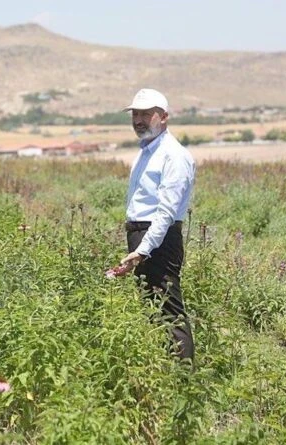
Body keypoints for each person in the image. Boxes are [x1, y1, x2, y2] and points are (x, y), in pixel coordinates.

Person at [118, 88, 195, 362]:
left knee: (169, 310)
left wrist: (143, 249)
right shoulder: (146, 152)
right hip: (144, 236)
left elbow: (165, 212)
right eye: (135, 114)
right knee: (152, 308)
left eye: (146, 114)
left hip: (158, 239)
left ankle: (185, 380)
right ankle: (165, 369)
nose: (138, 120)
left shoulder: (173, 155)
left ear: (163, 117)